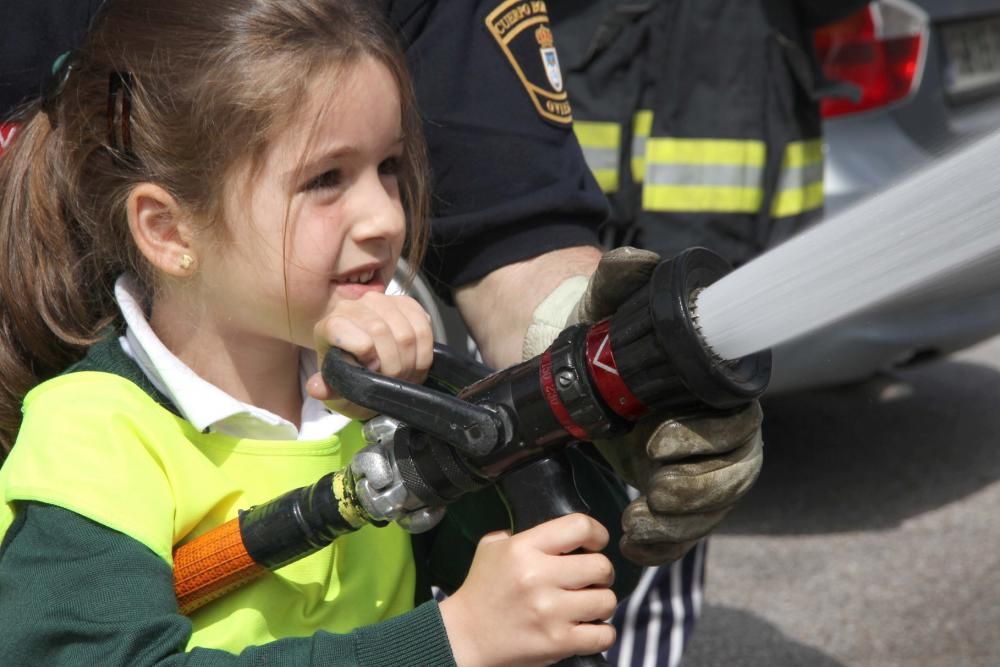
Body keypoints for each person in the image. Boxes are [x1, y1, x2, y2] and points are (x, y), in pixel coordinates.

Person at [1, 1, 765, 664]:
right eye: (325, 180)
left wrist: (590, 419)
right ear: (168, 230)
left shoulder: (376, 400)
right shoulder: (91, 438)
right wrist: (450, 641)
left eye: (390, 167)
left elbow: (579, 568)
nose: (387, 219)